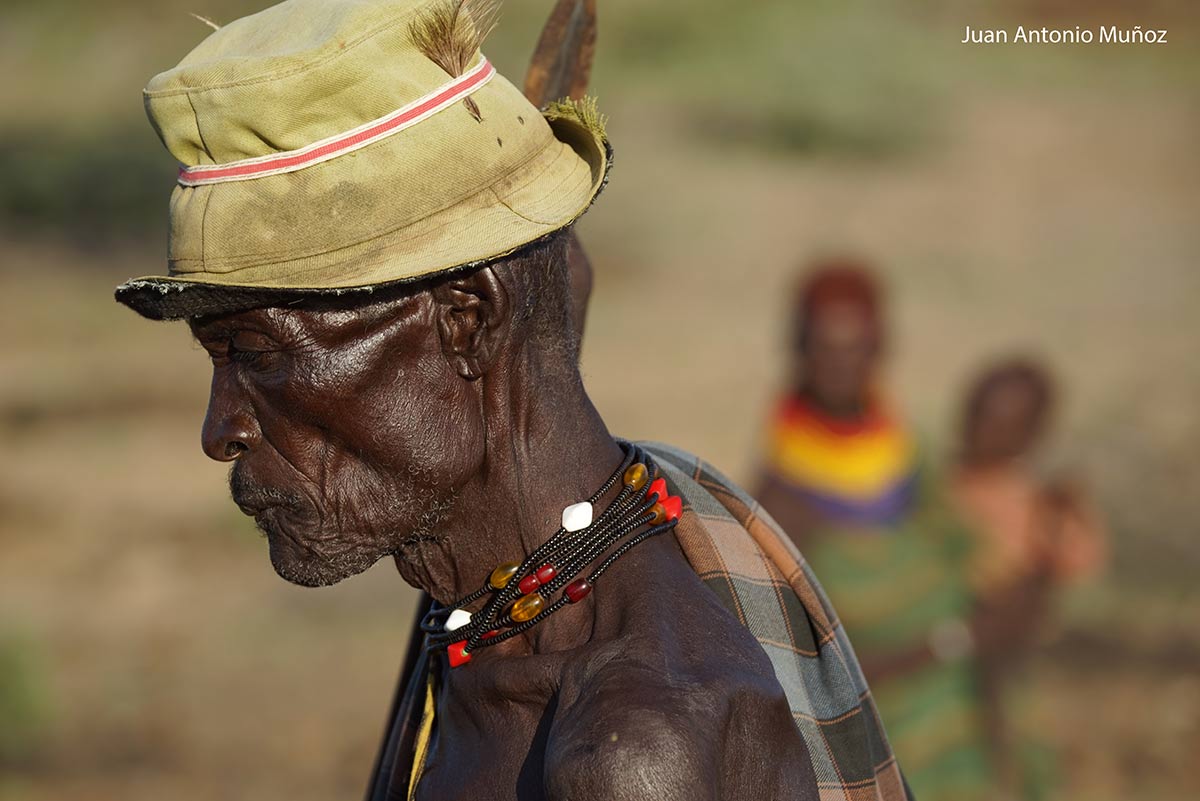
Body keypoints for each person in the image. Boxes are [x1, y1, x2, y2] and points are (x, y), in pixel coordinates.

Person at [113, 2, 910, 799]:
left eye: (258, 353)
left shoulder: (630, 759)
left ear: (468, 320)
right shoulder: (481, 618)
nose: (223, 430)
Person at [756, 261, 995, 801]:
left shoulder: (907, 451)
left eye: (857, 345)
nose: (841, 365)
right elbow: (803, 663)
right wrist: (943, 645)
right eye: (825, 346)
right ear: (797, 349)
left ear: (882, 346)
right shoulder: (780, 500)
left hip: (961, 723)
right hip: (877, 749)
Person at [951, 358, 1106, 798]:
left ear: (1031, 434)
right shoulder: (936, 491)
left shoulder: (1041, 503)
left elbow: (1077, 567)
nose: (982, 431)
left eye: (1001, 424)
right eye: (978, 415)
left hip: (1011, 661)